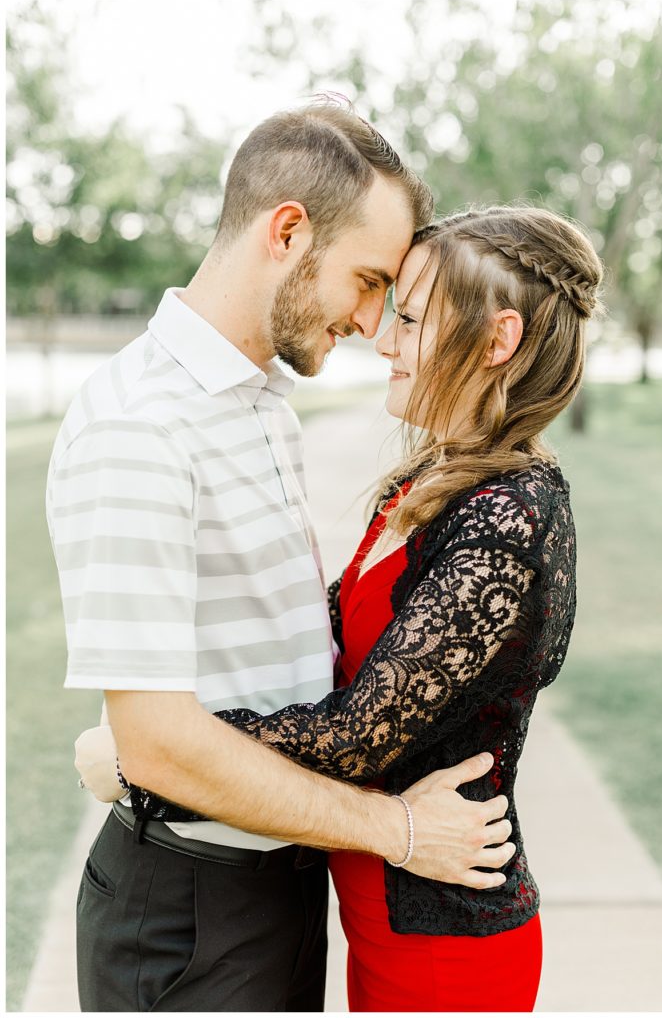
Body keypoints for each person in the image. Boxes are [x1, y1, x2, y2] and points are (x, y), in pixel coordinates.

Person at [47, 99, 514, 1013]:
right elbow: (158, 743)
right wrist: (398, 830)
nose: (377, 321)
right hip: (190, 912)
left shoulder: (261, 400)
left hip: (278, 887)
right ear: (289, 232)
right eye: (368, 280)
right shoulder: (142, 426)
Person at [94, 204, 603, 1011]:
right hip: (375, 917)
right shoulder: (428, 483)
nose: (383, 337)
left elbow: (355, 736)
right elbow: (323, 632)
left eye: (409, 317)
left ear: (497, 341)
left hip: (447, 942)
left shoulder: (510, 518)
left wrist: (149, 756)